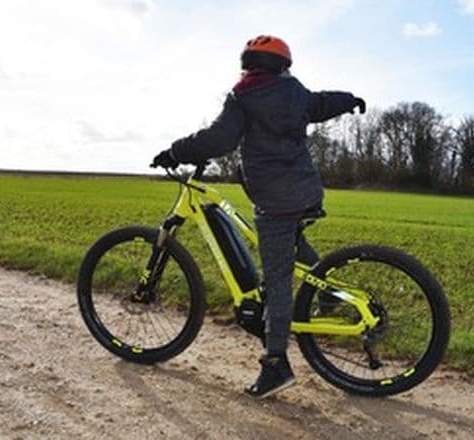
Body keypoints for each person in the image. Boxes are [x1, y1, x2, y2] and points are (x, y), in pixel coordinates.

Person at [152, 35, 365, 399]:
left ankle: (276, 364)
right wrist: (350, 100)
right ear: (283, 65)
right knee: (291, 246)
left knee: (277, 279)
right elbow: (320, 103)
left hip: (275, 197)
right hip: (305, 189)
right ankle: (329, 297)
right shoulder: (294, 92)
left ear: (248, 64)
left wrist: (175, 151)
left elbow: (221, 138)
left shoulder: (244, 96)